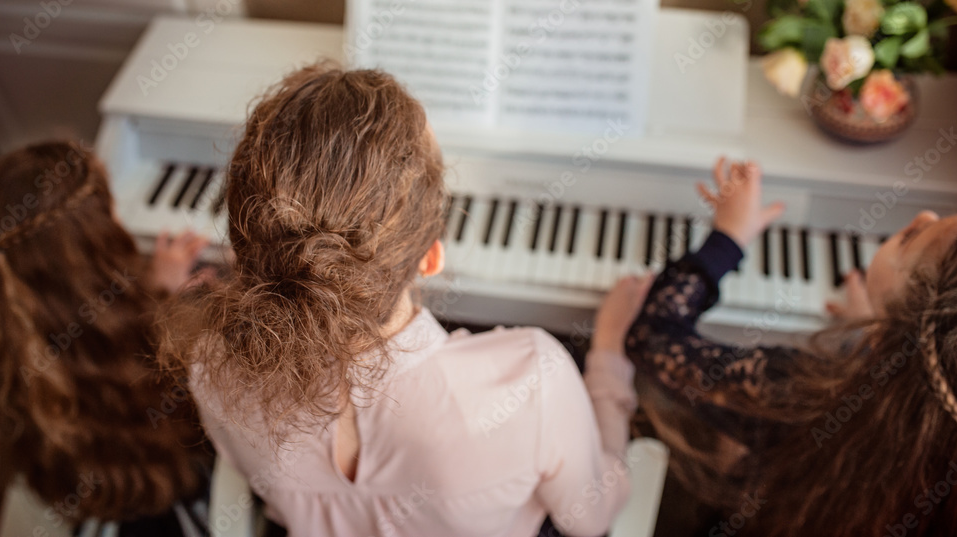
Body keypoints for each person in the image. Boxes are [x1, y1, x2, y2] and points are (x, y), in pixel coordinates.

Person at [159, 64, 642, 537]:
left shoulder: (209, 363)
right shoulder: (532, 379)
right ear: (431, 259)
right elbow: (591, 517)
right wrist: (608, 359)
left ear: (243, 249)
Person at [606, 157, 957, 536]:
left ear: (914, 324)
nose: (923, 214)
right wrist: (876, 332)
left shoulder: (806, 397)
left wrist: (728, 237)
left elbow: (653, 337)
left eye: (910, 240)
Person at [0, 141, 211, 533]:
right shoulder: (155, 355)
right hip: (158, 499)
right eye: (110, 215)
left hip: (82, 491)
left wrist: (156, 287)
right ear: (98, 251)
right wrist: (165, 305)